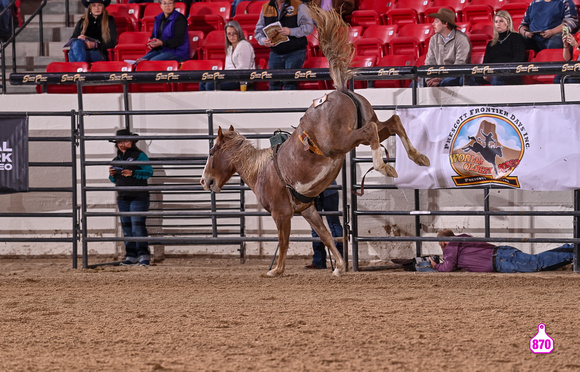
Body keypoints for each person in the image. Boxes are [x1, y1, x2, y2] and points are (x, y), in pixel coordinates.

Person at [429, 229, 575, 273]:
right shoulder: (463, 239)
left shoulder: (451, 246)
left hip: (500, 260)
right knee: (536, 263)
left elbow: (448, 266)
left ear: (442, 242)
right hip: (501, 254)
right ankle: (572, 253)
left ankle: (572, 250)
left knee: (536, 263)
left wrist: (435, 266)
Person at [109, 129, 154, 267]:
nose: (122, 144)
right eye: (120, 142)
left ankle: (142, 255)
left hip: (138, 196)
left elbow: (148, 172)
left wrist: (133, 173)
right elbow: (113, 180)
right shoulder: (116, 159)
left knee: (137, 227)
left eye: (126, 141)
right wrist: (112, 174)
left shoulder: (139, 155)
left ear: (132, 142)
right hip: (123, 196)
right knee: (127, 227)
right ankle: (131, 255)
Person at [254, 0, 313, 90]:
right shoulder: (266, 8)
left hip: (295, 52)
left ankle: (291, 104)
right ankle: (275, 104)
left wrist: (291, 31)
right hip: (275, 53)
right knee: (273, 83)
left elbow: (308, 28)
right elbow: (258, 32)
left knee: (290, 83)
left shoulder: (299, 6)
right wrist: (263, 40)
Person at [475, 10, 527, 86]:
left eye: (501, 21)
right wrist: (486, 74)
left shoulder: (516, 37)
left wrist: (503, 71)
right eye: (496, 22)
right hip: (492, 73)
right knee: (469, 78)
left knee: (497, 78)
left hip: (510, 73)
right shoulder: (491, 43)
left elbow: (519, 59)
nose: (498, 24)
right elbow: (486, 63)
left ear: (508, 22)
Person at [201, 20, 255, 91]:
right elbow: (227, 68)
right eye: (229, 34)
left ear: (239, 33)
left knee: (211, 85)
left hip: (241, 80)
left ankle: (214, 102)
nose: (231, 36)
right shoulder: (230, 48)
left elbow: (243, 70)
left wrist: (226, 77)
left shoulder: (243, 45)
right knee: (202, 82)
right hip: (230, 77)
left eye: (234, 33)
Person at [423, 7, 472, 87]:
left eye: (437, 21)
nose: (433, 24)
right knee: (416, 84)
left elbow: (460, 65)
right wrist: (429, 79)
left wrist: (440, 79)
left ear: (445, 23)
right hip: (438, 75)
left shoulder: (461, 39)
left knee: (446, 82)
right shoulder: (433, 39)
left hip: (457, 75)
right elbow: (429, 62)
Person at [305, 181, 344, 269]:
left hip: (316, 190)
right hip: (323, 191)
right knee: (332, 224)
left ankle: (321, 261)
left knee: (319, 225)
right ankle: (338, 259)